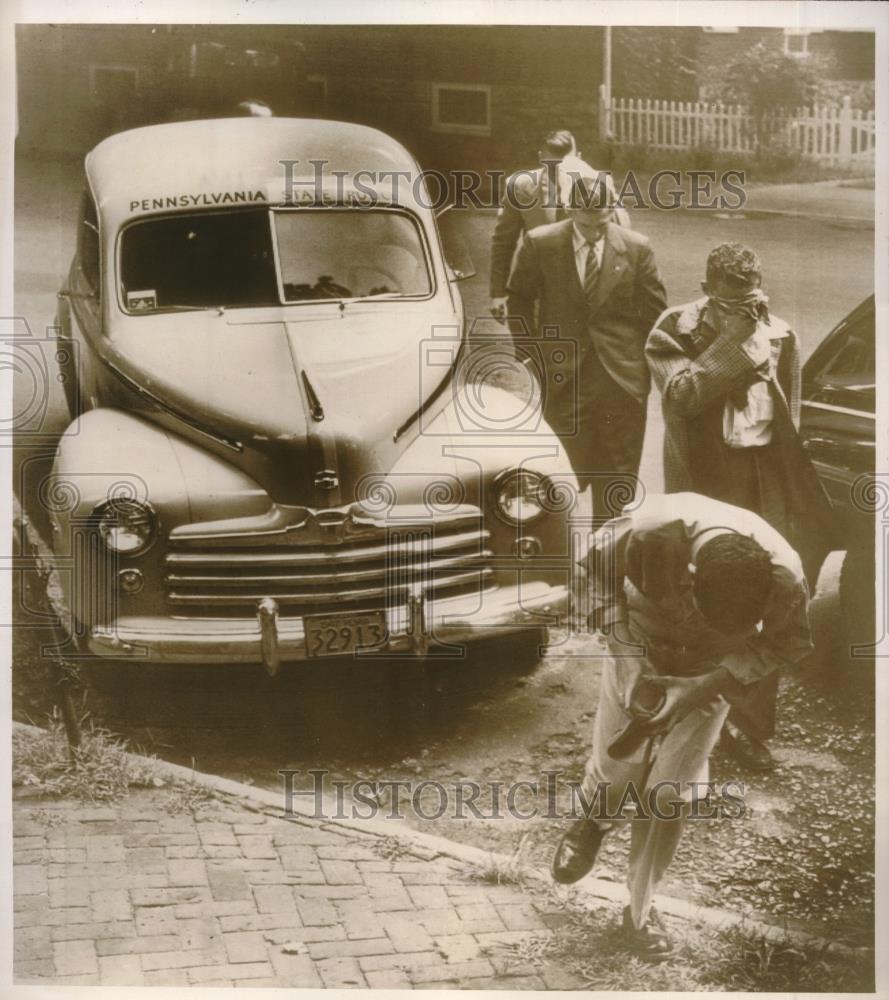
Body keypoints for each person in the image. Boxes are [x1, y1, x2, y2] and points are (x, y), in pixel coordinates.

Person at [552, 492, 812, 961]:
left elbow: (784, 643)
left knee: (670, 792)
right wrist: (626, 655)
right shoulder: (648, 529)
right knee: (617, 767)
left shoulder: (784, 573)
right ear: (690, 578)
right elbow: (591, 576)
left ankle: (641, 910)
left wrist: (705, 685)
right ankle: (594, 819)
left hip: (713, 667)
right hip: (641, 642)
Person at [645, 243, 834, 771]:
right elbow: (680, 398)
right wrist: (731, 343)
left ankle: (749, 725)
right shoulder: (673, 329)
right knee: (695, 585)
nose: (747, 313)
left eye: (751, 302)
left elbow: (787, 409)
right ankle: (682, 704)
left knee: (768, 590)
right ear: (707, 292)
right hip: (706, 476)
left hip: (764, 474)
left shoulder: (782, 332)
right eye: (732, 305)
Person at [505, 171, 666, 521]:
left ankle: (605, 565)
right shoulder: (540, 243)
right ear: (569, 209)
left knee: (616, 486)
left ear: (612, 211)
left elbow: (655, 315)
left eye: (602, 223)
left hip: (620, 385)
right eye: (586, 224)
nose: (594, 232)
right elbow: (517, 301)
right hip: (564, 383)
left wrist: (641, 367)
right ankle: (556, 563)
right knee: (554, 482)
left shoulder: (637, 248)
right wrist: (532, 358)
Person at [489, 129, 628, 321]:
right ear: (540, 158)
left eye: (564, 164)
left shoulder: (597, 184)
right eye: (551, 166)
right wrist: (498, 293)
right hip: (539, 287)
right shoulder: (519, 186)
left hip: (586, 285)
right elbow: (503, 242)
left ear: (578, 158)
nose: (559, 172)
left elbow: (621, 233)